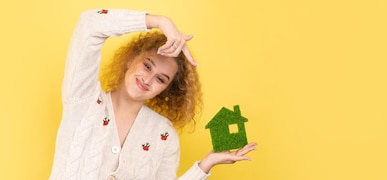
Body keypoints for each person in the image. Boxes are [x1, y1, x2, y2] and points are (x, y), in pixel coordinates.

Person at [50, 8, 257, 179]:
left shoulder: (163, 135)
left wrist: (205, 165)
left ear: (167, 90)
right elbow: (89, 25)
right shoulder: (83, 99)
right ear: (131, 59)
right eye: (147, 66)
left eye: (161, 79)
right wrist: (157, 21)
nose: (148, 79)